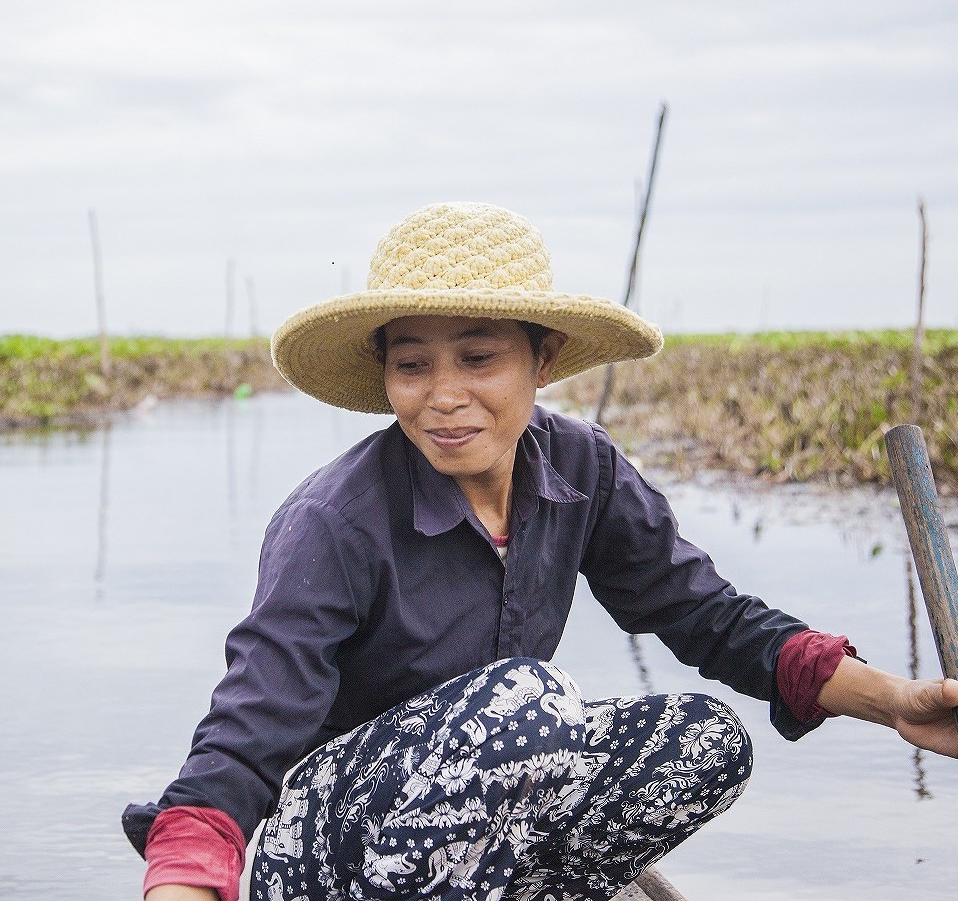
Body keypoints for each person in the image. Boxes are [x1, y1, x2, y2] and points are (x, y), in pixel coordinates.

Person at [124, 202, 958, 901]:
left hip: (479, 849)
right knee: (529, 696)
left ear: (542, 358)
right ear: (385, 375)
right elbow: (248, 729)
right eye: (412, 365)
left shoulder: (580, 467)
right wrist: (185, 875)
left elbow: (703, 613)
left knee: (706, 741)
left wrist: (893, 702)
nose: (443, 397)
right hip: (327, 851)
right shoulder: (334, 520)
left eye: (478, 358)